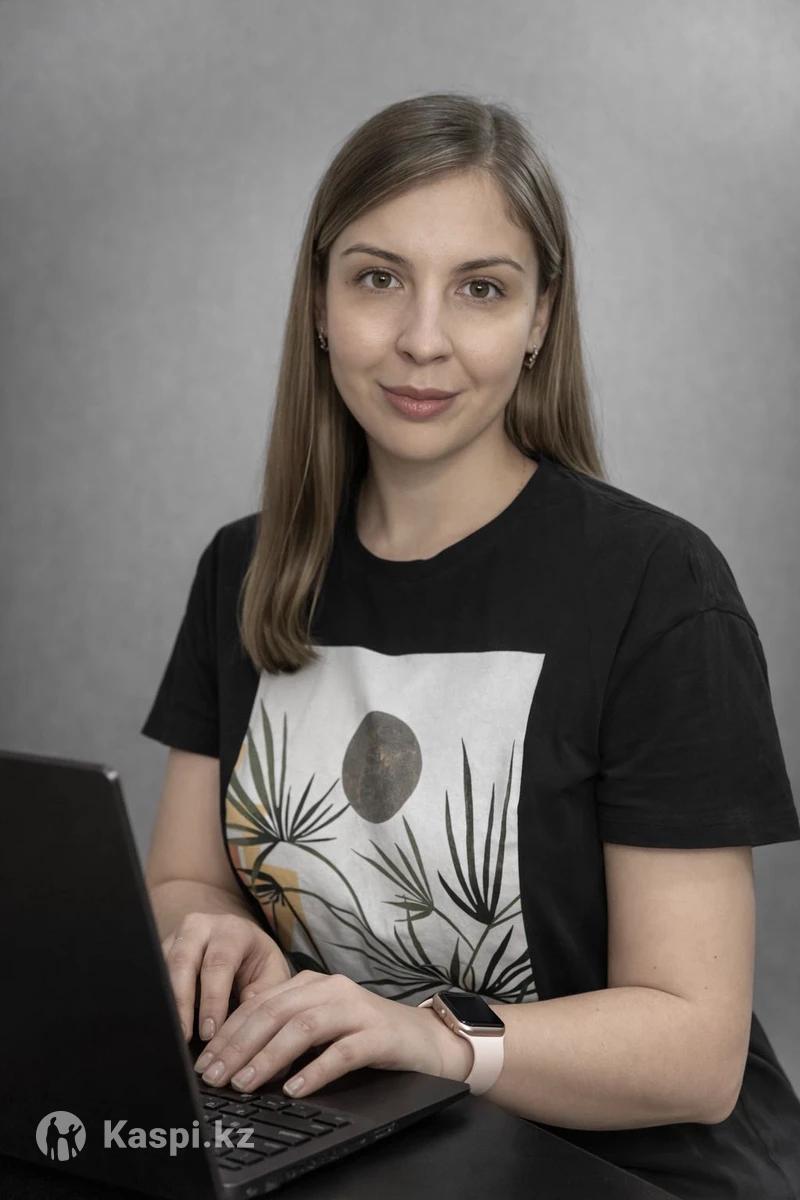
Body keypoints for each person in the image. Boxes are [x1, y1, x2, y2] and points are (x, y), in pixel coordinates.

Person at [141, 92, 800, 1199]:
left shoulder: (656, 587)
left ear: (540, 319)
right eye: (377, 278)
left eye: (480, 289)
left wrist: (436, 1037)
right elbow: (182, 879)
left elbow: (693, 1054)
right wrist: (212, 934)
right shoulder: (243, 568)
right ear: (319, 302)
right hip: (369, 1147)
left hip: (626, 1172)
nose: (422, 338)